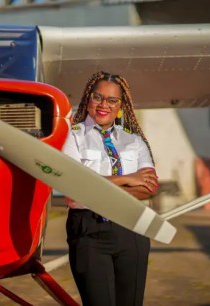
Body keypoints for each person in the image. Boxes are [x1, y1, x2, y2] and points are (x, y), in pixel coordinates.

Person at [62, 71, 158, 306]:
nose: (104, 105)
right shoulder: (71, 137)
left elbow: (149, 187)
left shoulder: (134, 141)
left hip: (132, 230)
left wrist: (98, 190)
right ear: (88, 99)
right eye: (98, 97)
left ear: (121, 106)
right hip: (89, 231)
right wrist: (129, 178)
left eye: (112, 100)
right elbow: (74, 186)